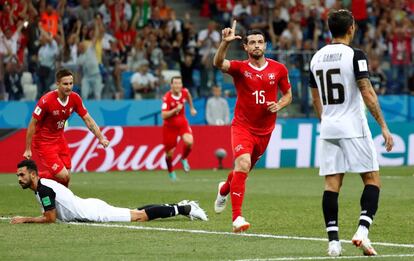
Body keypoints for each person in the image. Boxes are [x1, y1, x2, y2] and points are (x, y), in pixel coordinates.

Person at [308, 10, 394, 257]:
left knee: (332, 184)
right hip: (353, 126)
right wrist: (384, 126)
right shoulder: (356, 55)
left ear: (329, 29)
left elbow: (315, 97)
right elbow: (366, 91)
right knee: (372, 179)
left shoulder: (316, 58)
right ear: (352, 28)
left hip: (329, 126)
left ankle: (333, 243)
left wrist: (325, 121)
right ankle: (362, 231)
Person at [213, 21, 292, 232]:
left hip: (265, 131)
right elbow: (219, 63)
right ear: (246, 47)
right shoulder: (240, 68)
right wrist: (224, 43)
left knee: (242, 171)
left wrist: (280, 104)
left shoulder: (279, 69)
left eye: (260, 42)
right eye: (252, 43)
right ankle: (237, 218)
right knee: (243, 164)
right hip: (242, 127)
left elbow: (288, 95)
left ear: (265, 45)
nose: (256, 45)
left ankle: (224, 189)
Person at [11, 159, 208, 224]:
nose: (20, 179)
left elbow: (50, 218)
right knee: (135, 212)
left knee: (139, 216)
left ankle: (186, 208)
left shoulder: (44, 189)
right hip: (88, 206)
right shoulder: (42, 185)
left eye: (22, 175)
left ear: (34, 175)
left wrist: (24, 219)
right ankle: (179, 206)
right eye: (18, 176)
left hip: (93, 212)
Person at [23, 68, 110, 187]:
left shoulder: (75, 98)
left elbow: (88, 119)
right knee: (63, 175)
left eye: (71, 83)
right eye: (65, 84)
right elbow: (32, 124)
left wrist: (101, 138)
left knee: (66, 178)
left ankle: (60, 203)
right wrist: (28, 149)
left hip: (59, 139)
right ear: (57, 84)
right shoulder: (46, 101)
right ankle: (32, 176)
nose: (69, 87)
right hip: (44, 142)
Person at [161, 76, 197, 181]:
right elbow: (163, 115)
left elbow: (189, 96)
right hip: (169, 127)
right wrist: (175, 110)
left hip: (182, 123)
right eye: (175, 83)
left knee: (189, 142)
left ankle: (184, 158)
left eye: (179, 83)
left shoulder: (184, 92)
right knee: (169, 153)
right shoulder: (167, 97)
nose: (177, 86)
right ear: (171, 85)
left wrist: (191, 108)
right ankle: (171, 172)